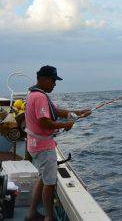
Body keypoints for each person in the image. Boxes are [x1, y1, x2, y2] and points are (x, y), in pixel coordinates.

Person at [25, 65, 91, 221]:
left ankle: (31, 213)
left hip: (35, 144)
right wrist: (66, 124)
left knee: (43, 179)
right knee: (49, 184)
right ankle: (49, 217)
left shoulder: (34, 93)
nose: (55, 84)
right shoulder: (40, 96)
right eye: (53, 81)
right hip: (43, 147)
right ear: (44, 79)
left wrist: (77, 112)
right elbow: (45, 122)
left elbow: (55, 110)